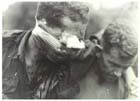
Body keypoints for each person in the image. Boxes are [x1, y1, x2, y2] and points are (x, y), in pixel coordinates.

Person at [2, 2, 90, 99]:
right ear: (42, 24)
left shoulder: (71, 67)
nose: (71, 45)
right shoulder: (4, 46)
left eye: (79, 39)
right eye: (65, 35)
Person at [74, 18, 138, 99]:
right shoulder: (75, 63)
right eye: (113, 64)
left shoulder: (129, 84)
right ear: (99, 49)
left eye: (125, 67)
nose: (118, 73)